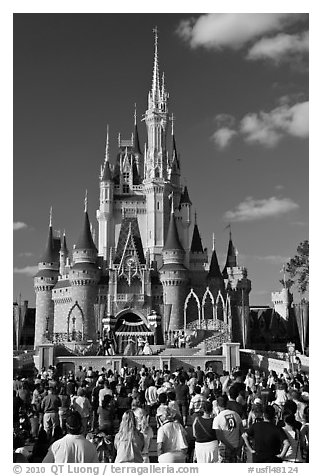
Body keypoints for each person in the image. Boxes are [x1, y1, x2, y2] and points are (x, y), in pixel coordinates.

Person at [212, 395, 243, 463]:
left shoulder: (218, 418)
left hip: (225, 447)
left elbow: (220, 437)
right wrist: (239, 446)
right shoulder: (236, 415)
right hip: (236, 445)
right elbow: (242, 433)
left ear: (217, 405)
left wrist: (230, 447)